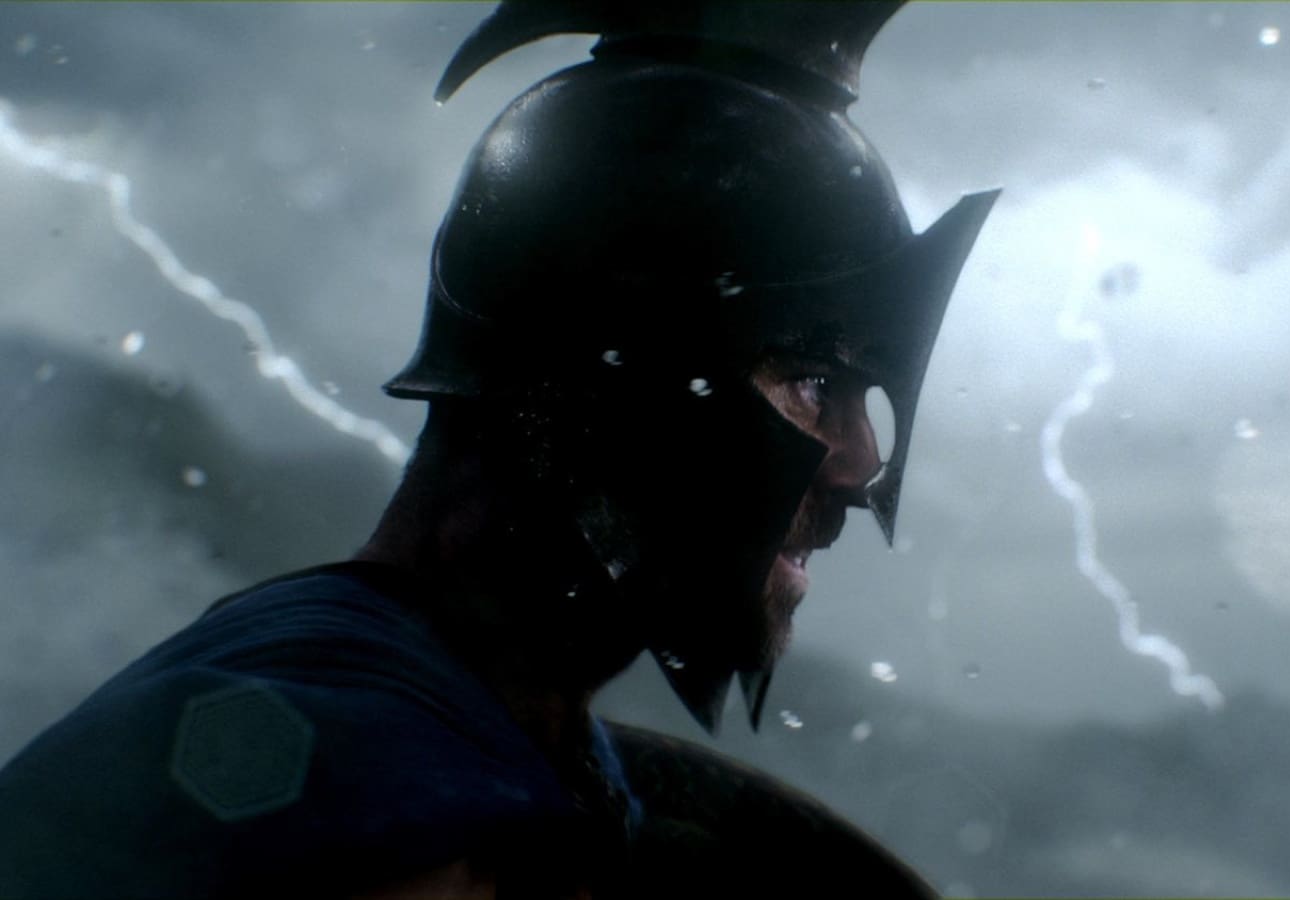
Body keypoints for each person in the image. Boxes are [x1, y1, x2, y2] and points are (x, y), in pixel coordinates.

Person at [0, 2, 997, 897]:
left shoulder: (485, 734)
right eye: (813, 385)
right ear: (615, 373)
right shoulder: (365, 807)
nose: (857, 463)